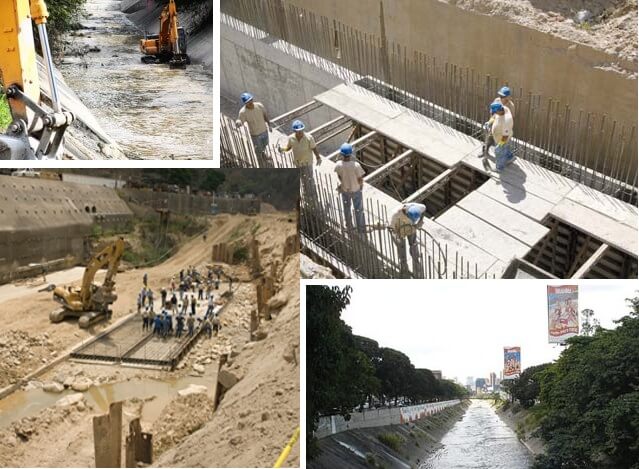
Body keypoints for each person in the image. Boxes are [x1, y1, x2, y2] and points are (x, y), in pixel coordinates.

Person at [278, 120, 321, 199]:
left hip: (307, 163)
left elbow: (314, 148)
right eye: (298, 131)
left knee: (309, 179)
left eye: (301, 130)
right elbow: (289, 147)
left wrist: (318, 157)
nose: (300, 132)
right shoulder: (291, 138)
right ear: (294, 131)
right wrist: (282, 149)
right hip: (298, 163)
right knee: (303, 180)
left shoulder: (309, 138)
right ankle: (306, 194)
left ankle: (312, 195)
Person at [334, 143, 366, 233]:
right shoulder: (356, 165)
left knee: (347, 209)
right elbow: (360, 179)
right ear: (351, 154)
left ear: (342, 154)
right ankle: (361, 229)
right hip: (356, 190)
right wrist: (361, 186)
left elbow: (339, 176)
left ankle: (349, 226)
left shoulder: (338, 164)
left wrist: (344, 183)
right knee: (358, 210)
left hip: (345, 190)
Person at [389, 203, 427, 277]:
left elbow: (423, 211)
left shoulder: (420, 207)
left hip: (410, 227)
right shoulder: (395, 214)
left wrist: (420, 221)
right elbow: (391, 229)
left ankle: (416, 264)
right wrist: (396, 239)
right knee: (401, 248)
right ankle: (403, 267)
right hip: (398, 229)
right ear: (406, 214)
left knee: (414, 245)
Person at [236, 92, 271, 162]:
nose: (250, 102)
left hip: (264, 130)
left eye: (251, 100)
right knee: (258, 149)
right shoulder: (243, 112)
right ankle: (260, 160)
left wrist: (269, 125)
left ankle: (263, 154)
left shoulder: (259, 105)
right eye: (248, 102)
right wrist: (238, 123)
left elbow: (265, 115)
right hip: (255, 134)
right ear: (245, 103)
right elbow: (240, 121)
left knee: (265, 144)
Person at [486, 102, 515, 171]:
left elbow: (505, 136)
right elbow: (494, 116)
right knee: (505, 149)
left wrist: (500, 145)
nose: (494, 113)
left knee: (499, 152)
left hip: (503, 138)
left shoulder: (507, 120)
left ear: (499, 110)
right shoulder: (503, 108)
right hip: (498, 135)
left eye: (495, 112)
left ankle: (499, 167)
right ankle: (509, 157)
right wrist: (489, 122)